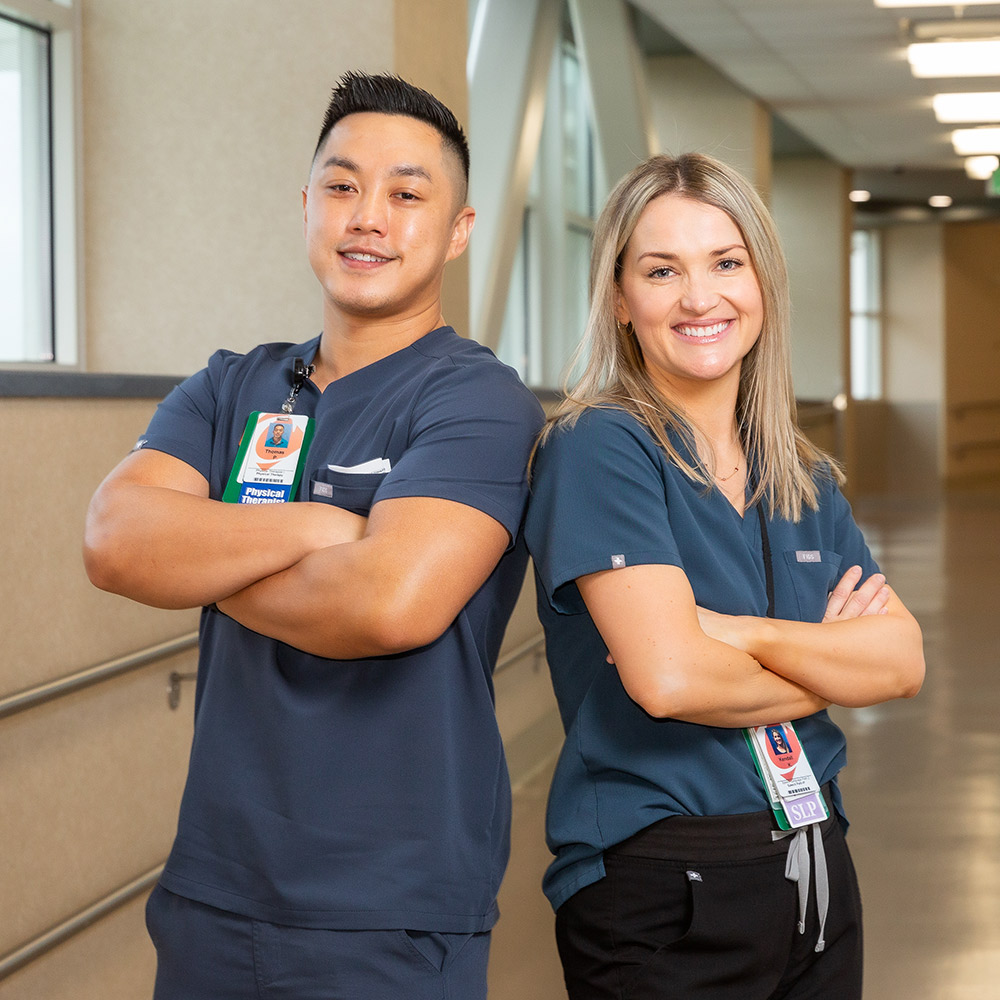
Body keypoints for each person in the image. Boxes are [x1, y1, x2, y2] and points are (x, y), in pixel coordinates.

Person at [84, 71, 544, 1000]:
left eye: (407, 195)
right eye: (341, 187)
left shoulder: (480, 402)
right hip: (214, 892)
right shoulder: (230, 386)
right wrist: (321, 527)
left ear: (458, 229)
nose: (367, 217)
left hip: (390, 911)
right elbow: (115, 539)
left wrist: (204, 555)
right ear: (305, 206)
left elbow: (387, 605)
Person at [524, 152, 924, 1000]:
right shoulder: (602, 448)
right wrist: (828, 660)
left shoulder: (802, 475)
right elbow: (670, 679)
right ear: (622, 300)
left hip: (815, 864)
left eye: (726, 263)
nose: (700, 298)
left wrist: (739, 634)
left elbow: (901, 663)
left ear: (764, 284)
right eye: (662, 271)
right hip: (667, 886)